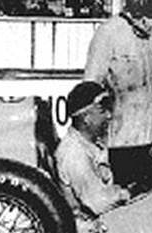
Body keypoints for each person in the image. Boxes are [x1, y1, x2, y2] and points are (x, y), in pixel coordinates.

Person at [83, 0, 152, 188]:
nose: (141, 1)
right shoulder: (108, 32)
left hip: (149, 126)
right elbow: (91, 81)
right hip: (121, 131)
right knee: (122, 185)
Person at [55, 81, 130, 220]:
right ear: (86, 118)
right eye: (102, 111)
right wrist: (128, 193)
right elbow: (98, 203)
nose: (109, 116)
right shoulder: (74, 153)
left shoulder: (90, 144)